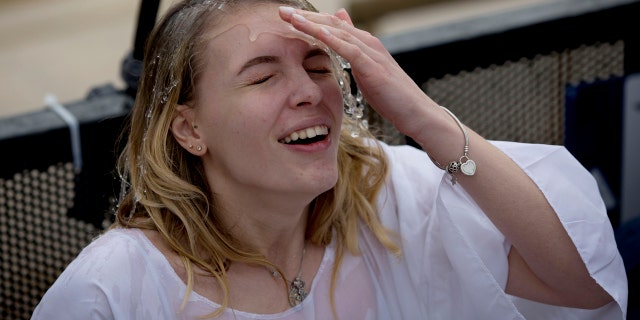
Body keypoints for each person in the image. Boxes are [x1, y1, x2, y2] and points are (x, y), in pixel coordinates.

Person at [31, 0, 627, 319]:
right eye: (263, 76)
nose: (310, 91)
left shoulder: (385, 196)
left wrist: (422, 117)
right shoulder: (109, 294)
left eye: (320, 67)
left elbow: (583, 284)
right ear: (189, 127)